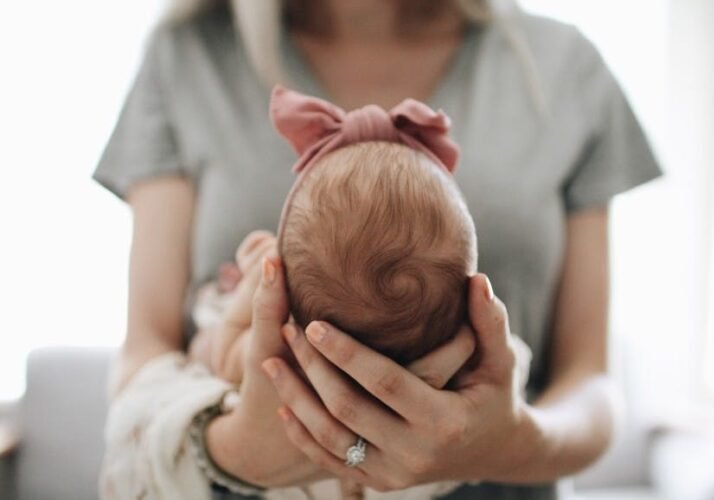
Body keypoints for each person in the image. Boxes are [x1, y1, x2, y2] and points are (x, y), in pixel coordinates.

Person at [91, 0, 662, 499]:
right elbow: (147, 351)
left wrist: (513, 440)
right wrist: (236, 451)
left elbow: (591, 379)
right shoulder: (187, 56)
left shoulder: (562, 65)